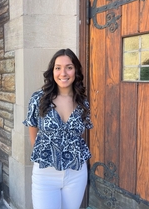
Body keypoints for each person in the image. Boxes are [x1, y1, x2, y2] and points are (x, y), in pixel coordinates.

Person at [23, 48, 93, 209]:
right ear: (52, 71)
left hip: (76, 172)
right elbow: (32, 127)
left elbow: (80, 134)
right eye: (58, 67)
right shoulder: (38, 99)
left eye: (69, 67)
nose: (63, 73)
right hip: (46, 173)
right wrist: (43, 152)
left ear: (76, 70)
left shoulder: (83, 101)